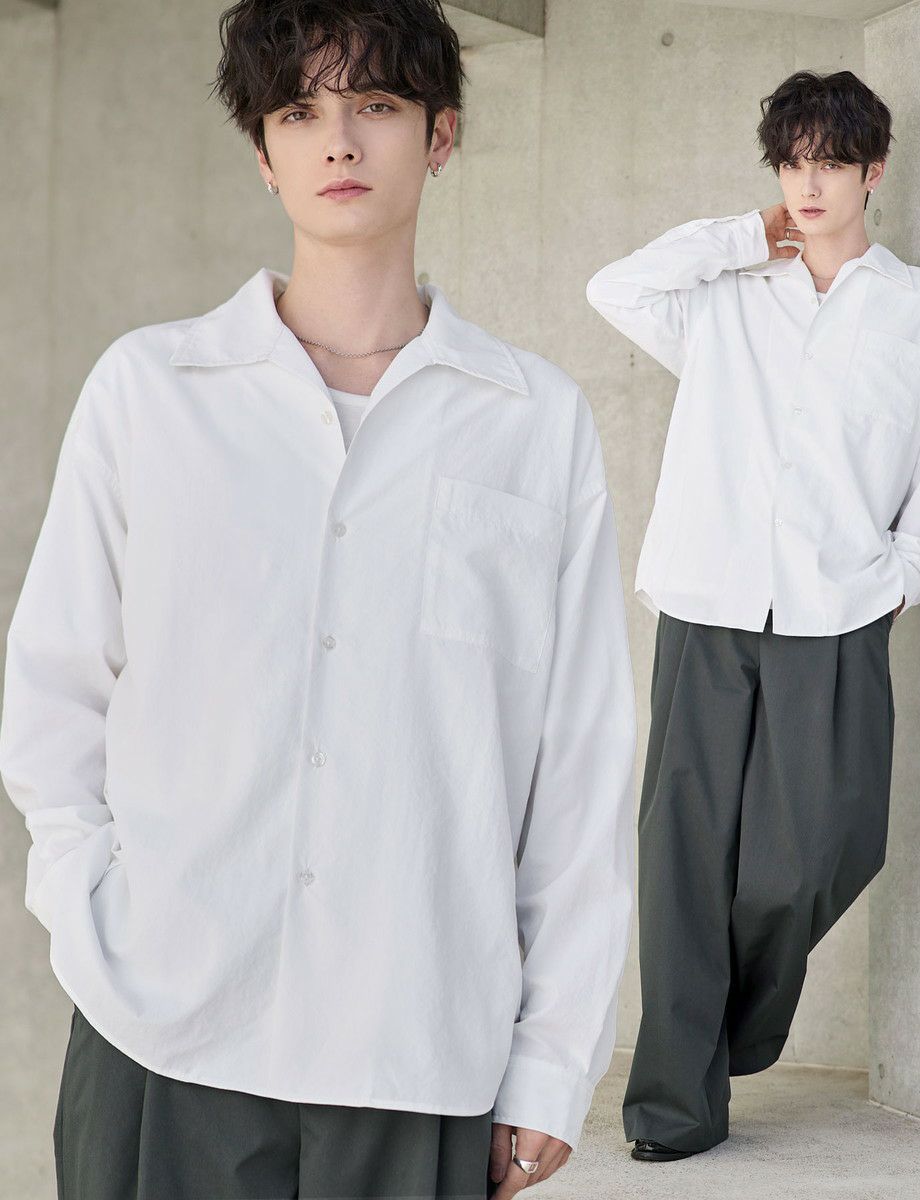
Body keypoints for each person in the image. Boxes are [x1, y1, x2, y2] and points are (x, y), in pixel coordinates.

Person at [0, 2, 636, 1196]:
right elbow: (54, 686)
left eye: (375, 104)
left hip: (416, 1041)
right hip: (164, 1027)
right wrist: (89, 901)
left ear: (440, 134)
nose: (338, 141)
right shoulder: (150, 391)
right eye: (299, 112)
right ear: (263, 151)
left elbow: (580, 762)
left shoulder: (533, 422)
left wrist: (552, 1058)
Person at [585, 69, 920, 1163]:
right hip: (707, 600)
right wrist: (742, 235)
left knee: (813, 855)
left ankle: (729, 1027)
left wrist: (898, 575)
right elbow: (615, 288)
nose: (809, 183)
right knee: (684, 857)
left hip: (835, 609)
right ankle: (673, 1107)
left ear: (872, 170)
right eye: (792, 163)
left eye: (830, 163)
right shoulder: (727, 294)